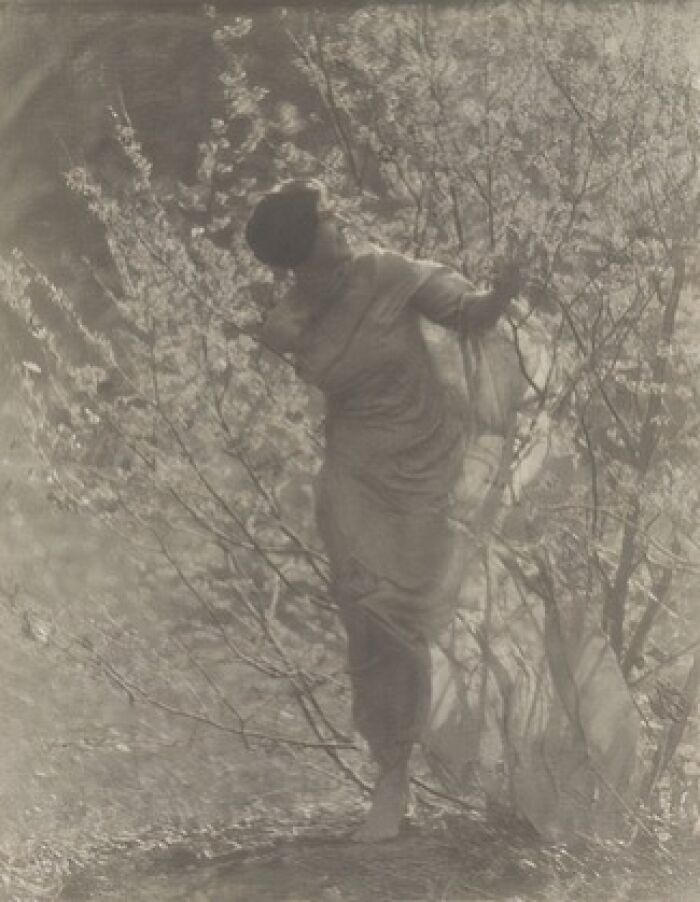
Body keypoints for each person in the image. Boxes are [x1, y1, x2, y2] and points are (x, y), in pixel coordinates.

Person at [245, 178, 518, 842]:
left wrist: (504, 290)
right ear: (301, 247)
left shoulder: (390, 273)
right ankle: (391, 776)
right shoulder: (286, 323)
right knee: (371, 622)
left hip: (428, 469)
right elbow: (311, 357)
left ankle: (492, 761)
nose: (342, 226)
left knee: (421, 619)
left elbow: (469, 314)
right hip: (352, 479)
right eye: (327, 222)